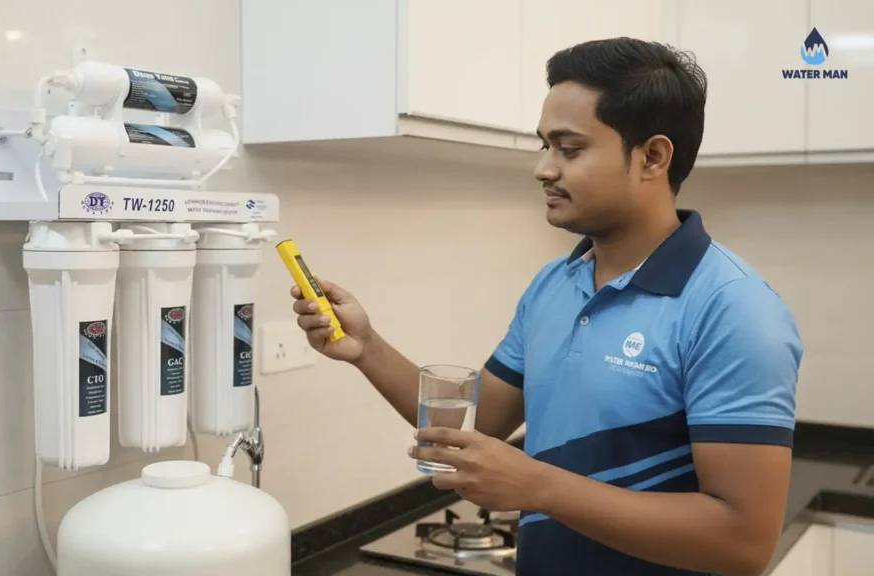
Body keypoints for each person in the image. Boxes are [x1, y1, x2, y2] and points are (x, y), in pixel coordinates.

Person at [289, 37, 802, 576]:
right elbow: (479, 422)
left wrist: (537, 486)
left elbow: (743, 542)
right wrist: (366, 348)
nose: (543, 168)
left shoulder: (734, 309)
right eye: (544, 146)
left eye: (569, 148)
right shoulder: (554, 285)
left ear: (652, 156)